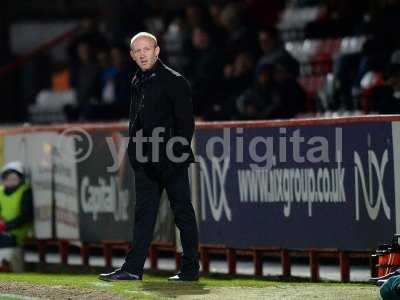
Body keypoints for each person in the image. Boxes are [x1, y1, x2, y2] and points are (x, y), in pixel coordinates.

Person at [99, 32, 199, 282]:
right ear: (132, 56)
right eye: (138, 51)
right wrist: (135, 153)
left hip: (170, 161)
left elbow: (186, 125)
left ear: (157, 51)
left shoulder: (175, 81)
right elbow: (136, 121)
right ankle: (133, 269)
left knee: (182, 213)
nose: (143, 54)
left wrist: (173, 156)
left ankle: (189, 270)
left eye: (147, 49)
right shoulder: (137, 80)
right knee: (144, 216)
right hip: (145, 161)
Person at [0, 161, 33, 248]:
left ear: (21, 179)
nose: (10, 181)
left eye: (14, 179)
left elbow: (25, 216)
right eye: (7, 178)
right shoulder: (0, 192)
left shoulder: (25, 192)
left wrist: (5, 226)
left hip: (16, 233)